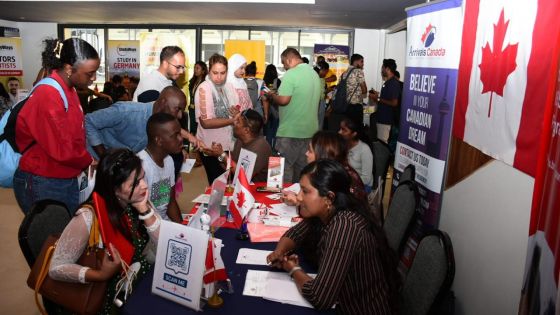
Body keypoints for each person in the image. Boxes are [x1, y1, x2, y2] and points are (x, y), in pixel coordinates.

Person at [267, 160, 398, 315]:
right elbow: (294, 234)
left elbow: (320, 297)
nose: (299, 197)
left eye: (305, 191)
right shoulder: (326, 212)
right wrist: (279, 252)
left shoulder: (345, 226)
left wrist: (293, 269)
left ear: (329, 197)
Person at [49, 148, 161, 314]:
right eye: (135, 183)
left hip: (137, 281)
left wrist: (144, 210)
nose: (144, 185)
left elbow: (164, 244)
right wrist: (101, 274)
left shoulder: (136, 199)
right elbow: (56, 268)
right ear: (114, 190)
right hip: (110, 296)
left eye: (143, 176)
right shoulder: (88, 217)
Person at [13, 38, 98, 215]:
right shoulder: (48, 94)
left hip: (64, 176)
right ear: (69, 69)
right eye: (89, 74)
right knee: (51, 239)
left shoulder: (69, 88)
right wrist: (88, 160)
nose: (93, 78)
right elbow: (62, 147)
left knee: (66, 236)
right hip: (43, 180)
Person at [85, 86, 199, 159]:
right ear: (163, 103)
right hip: (91, 159)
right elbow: (88, 121)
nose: (179, 115)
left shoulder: (162, 123)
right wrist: (104, 158)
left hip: (118, 166)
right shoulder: (126, 111)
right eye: (177, 109)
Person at [266, 48, 321, 183]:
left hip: (289, 132)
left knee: (278, 174)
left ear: (290, 60)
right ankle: (297, 202)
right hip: (310, 132)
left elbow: (284, 100)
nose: (284, 68)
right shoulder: (314, 74)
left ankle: (278, 201)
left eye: (284, 63)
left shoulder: (291, 74)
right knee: (302, 173)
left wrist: (272, 96)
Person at [283, 130, 367, 207]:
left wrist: (299, 202)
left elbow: (324, 212)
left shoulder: (335, 179)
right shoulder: (336, 170)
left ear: (322, 155)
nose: (306, 153)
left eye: (310, 150)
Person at [195, 53, 242, 184]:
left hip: (228, 144)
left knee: (230, 184)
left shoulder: (229, 87)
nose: (219, 77)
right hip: (211, 147)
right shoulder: (204, 88)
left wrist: (235, 112)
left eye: (223, 73)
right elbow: (205, 122)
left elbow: (236, 110)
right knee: (218, 185)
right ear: (209, 71)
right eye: (215, 73)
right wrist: (232, 120)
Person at [203, 109, 272, 182]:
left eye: (238, 122)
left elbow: (243, 176)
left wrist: (223, 155)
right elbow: (229, 168)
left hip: (256, 190)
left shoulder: (260, 146)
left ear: (246, 130)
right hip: (241, 188)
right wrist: (218, 155)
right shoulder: (240, 141)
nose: (234, 123)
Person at [137, 113, 183, 222]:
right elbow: (143, 214)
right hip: (149, 226)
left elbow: (170, 202)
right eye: (175, 135)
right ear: (159, 140)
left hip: (164, 223)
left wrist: (182, 229)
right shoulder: (141, 166)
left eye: (180, 133)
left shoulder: (169, 161)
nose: (181, 139)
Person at [370, 59, 401, 143]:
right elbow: (387, 98)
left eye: (382, 68)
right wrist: (378, 96)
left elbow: (394, 103)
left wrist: (378, 99)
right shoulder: (388, 82)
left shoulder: (394, 83)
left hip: (386, 121)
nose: (381, 70)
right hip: (382, 119)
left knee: (382, 145)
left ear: (387, 69)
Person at [339, 117, 374, 190]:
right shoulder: (342, 144)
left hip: (362, 186)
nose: (339, 132)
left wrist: (346, 182)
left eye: (344, 130)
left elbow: (366, 179)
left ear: (354, 134)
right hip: (347, 182)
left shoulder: (364, 150)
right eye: (340, 129)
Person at [339, 53, 367, 129]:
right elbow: (364, 90)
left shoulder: (343, 74)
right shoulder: (358, 71)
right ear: (356, 61)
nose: (363, 64)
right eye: (362, 61)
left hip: (345, 106)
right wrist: (359, 96)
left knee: (348, 129)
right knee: (356, 129)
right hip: (356, 107)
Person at [261, 64, 281, 147]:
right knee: (276, 128)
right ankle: (274, 147)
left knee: (268, 128)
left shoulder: (263, 81)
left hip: (266, 107)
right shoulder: (278, 81)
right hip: (276, 107)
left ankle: (268, 147)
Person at [188, 61, 208, 135]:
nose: (195, 70)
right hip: (192, 109)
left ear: (203, 71)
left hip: (200, 110)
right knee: (192, 129)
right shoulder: (192, 81)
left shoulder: (205, 83)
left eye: (197, 68)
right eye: (194, 68)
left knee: (199, 129)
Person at [315, 60, 330, 130]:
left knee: (320, 122)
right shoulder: (314, 78)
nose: (326, 74)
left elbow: (322, 91)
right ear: (322, 70)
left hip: (321, 101)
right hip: (317, 102)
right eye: (326, 72)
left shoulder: (322, 79)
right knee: (318, 122)